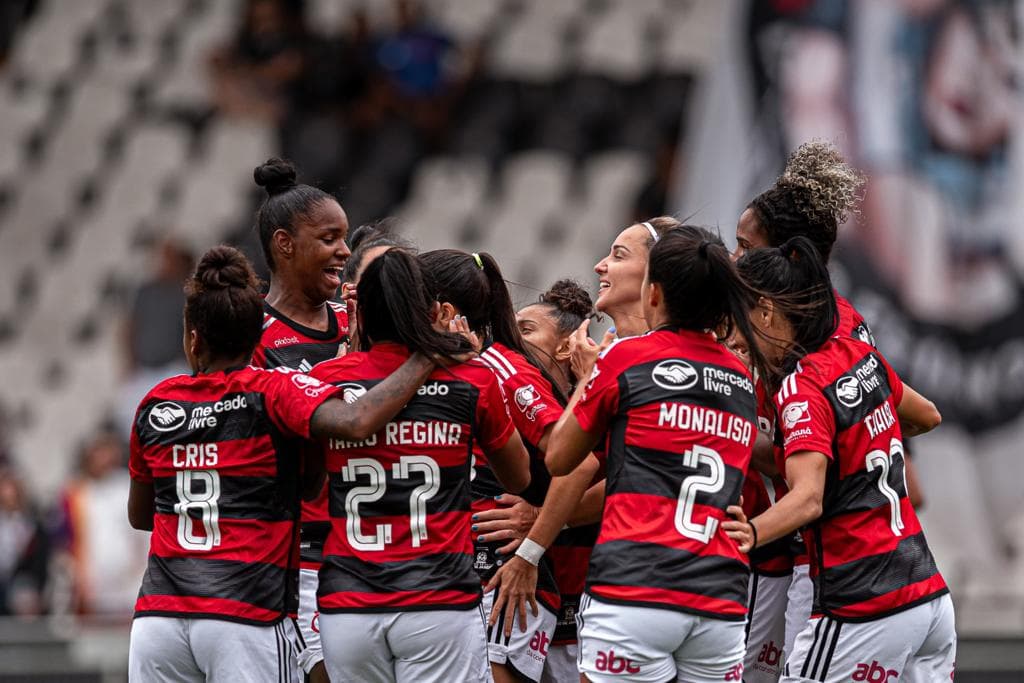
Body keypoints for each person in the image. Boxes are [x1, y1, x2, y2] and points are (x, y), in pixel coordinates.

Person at [126, 245, 440, 683]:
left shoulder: (156, 403)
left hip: (158, 620)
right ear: (258, 339)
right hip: (245, 614)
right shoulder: (275, 391)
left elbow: (141, 516)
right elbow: (356, 422)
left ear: (193, 339)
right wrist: (426, 357)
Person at [544, 226, 767, 682]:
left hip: (636, 586)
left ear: (654, 293)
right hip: (720, 598)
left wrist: (589, 376)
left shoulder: (627, 357)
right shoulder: (740, 377)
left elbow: (559, 458)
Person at [732, 141, 924, 669]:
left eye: (746, 247)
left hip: (812, 557)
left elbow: (811, 466)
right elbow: (920, 414)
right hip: (814, 554)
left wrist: (725, 432)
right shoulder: (839, 327)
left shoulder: (814, 351)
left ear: (787, 258)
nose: (735, 259)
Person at [726, 238, 952, 682]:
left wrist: (748, 533)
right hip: (929, 599)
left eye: (737, 319)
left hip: (863, 606)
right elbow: (927, 416)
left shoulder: (801, 388)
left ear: (766, 313)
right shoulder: (858, 354)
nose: (734, 337)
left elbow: (808, 499)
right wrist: (859, 440)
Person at [308, 248, 530, 683]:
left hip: (348, 603)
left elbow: (310, 482)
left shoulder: (325, 379)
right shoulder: (472, 377)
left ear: (361, 315)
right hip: (439, 600)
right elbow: (518, 477)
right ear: (431, 312)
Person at [417, 248, 563, 683]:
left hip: (502, 579)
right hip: (445, 576)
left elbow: (578, 461)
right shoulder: (419, 370)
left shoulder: (499, 368)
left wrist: (533, 543)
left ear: (442, 310)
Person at [249, 157, 351, 681]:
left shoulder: (356, 322)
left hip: (374, 541)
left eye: (345, 238)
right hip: (300, 552)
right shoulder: (251, 334)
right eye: (330, 238)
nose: (345, 251)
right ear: (285, 244)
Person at [515, 280, 602, 683]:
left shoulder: (600, 401)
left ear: (566, 347)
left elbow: (613, 480)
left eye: (526, 330)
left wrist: (539, 519)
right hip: (527, 590)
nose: (513, 339)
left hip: (584, 588)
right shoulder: (514, 397)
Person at [56, 430, 148, 616]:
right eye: (98, 452)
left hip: (129, 590)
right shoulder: (76, 493)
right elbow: (65, 542)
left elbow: (144, 536)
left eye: (107, 452)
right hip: (91, 592)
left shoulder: (128, 487)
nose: (103, 458)